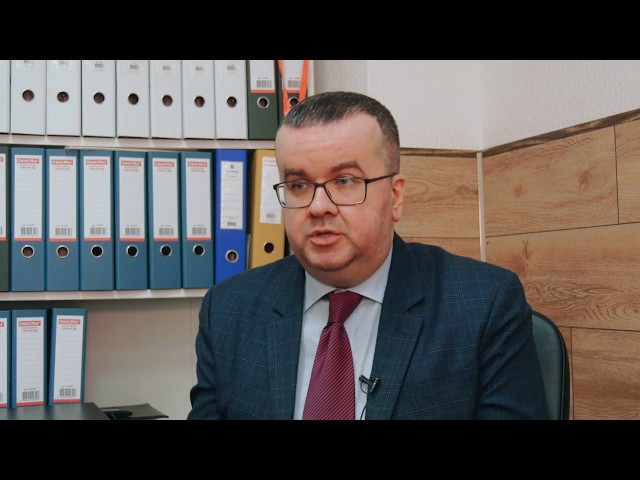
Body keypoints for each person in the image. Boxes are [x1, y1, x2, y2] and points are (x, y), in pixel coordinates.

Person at [188, 91, 548, 420]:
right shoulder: (228, 310)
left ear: (395, 197)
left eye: (344, 181)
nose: (318, 206)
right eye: (298, 185)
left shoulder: (483, 305)